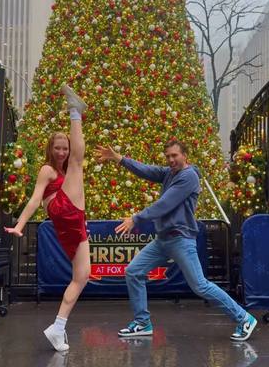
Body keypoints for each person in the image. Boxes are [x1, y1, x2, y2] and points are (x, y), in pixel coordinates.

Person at [95, 140, 257, 341]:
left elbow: (165, 204)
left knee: (200, 286)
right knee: (134, 272)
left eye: (175, 155)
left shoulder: (188, 177)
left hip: (181, 239)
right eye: (168, 156)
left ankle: (244, 318)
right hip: (163, 240)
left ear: (185, 156)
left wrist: (136, 219)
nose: (171, 160)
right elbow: (146, 170)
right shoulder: (170, 173)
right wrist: (119, 158)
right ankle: (142, 323)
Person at [5, 85, 90, 352]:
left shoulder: (65, 174)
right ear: (50, 149)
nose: (62, 152)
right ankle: (75, 110)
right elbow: (34, 199)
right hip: (61, 210)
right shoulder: (47, 169)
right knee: (79, 163)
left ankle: (58, 327)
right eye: (58, 148)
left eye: (65, 148)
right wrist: (20, 225)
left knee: (82, 276)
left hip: (73, 218)